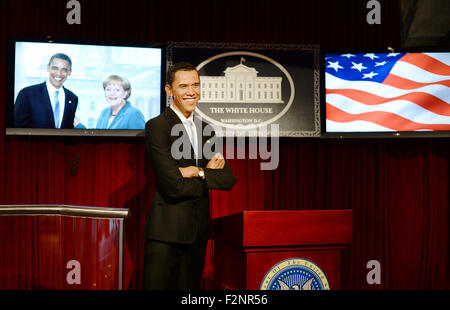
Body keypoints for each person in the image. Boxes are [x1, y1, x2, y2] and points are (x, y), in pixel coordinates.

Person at [143, 62, 236, 290]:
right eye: (183, 86)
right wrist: (206, 177)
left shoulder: (206, 129)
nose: (191, 91)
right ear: (169, 90)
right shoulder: (157, 126)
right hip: (167, 233)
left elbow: (227, 179)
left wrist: (197, 171)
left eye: (195, 84)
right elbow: (173, 185)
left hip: (198, 234)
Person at [14, 53, 78, 128]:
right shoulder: (27, 94)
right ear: (48, 68)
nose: (59, 74)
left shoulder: (73, 98)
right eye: (55, 68)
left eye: (64, 70)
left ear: (69, 72)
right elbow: (17, 128)